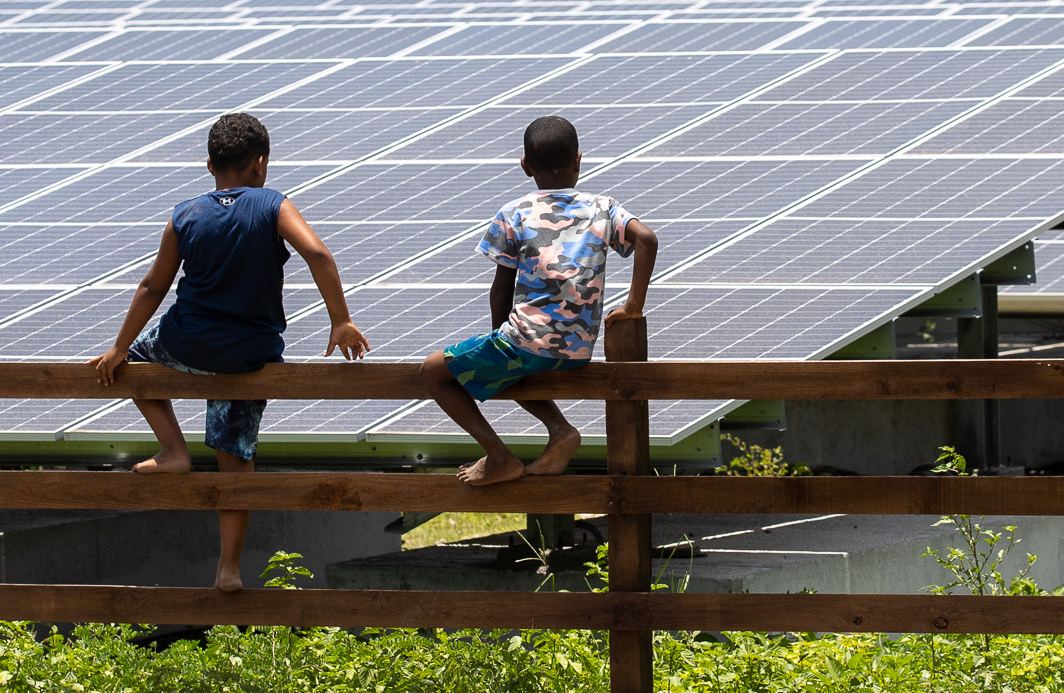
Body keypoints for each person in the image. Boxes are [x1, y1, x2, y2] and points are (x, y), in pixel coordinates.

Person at [92, 111, 367, 591]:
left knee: (134, 362)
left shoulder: (185, 213)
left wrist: (117, 347)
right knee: (235, 457)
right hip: (248, 355)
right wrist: (340, 320)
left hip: (187, 342)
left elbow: (154, 285)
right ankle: (229, 569)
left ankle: (173, 450)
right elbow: (319, 254)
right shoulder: (273, 205)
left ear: (208, 164)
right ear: (260, 164)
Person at [425, 114, 658, 486]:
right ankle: (560, 432)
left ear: (525, 166)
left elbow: (500, 288)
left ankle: (500, 456)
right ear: (579, 160)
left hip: (527, 341)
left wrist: (498, 334)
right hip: (578, 349)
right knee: (510, 368)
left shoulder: (514, 212)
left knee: (433, 373)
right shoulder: (604, 207)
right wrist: (633, 306)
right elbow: (647, 240)